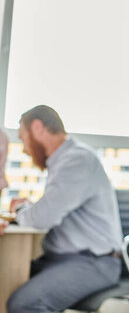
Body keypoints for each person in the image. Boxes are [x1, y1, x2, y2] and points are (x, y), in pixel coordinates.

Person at [5, 105, 122, 313]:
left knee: (23, 304)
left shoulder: (76, 160)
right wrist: (30, 208)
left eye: (23, 138)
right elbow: (52, 208)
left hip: (94, 263)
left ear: (38, 128)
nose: (24, 148)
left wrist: (22, 210)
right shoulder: (62, 162)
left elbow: (43, 218)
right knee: (5, 279)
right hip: (64, 261)